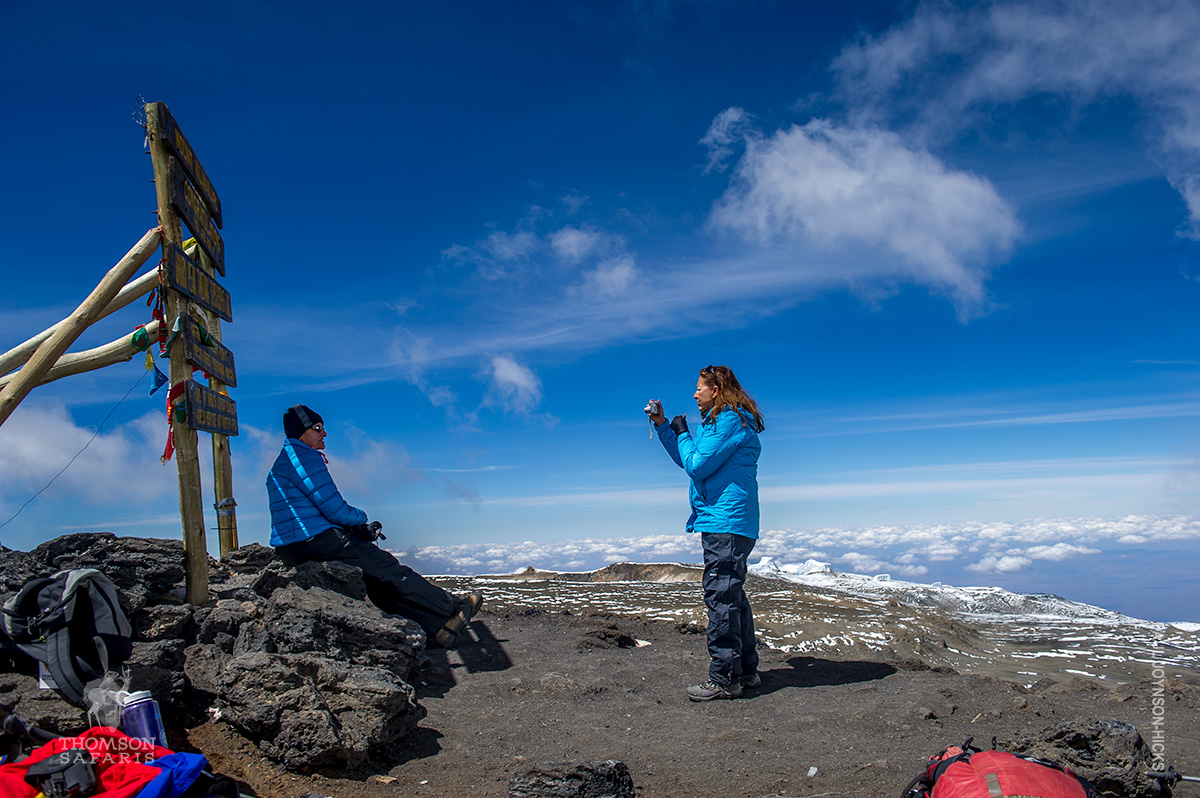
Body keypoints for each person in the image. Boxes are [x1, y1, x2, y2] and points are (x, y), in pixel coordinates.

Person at [265, 404, 482, 648]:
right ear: (301, 432)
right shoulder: (304, 458)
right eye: (317, 428)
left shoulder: (282, 463)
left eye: (323, 428)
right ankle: (453, 609)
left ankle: (439, 628)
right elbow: (334, 508)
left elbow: (312, 510)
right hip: (316, 541)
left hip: (291, 546)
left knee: (375, 583)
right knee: (387, 568)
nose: (324, 433)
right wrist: (361, 519)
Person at [648, 365, 765, 701]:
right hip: (730, 521)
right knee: (732, 597)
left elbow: (696, 465)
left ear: (716, 390)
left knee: (721, 598)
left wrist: (682, 432)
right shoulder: (727, 421)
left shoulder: (727, 420)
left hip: (724, 522)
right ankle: (746, 672)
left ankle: (725, 678)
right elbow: (693, 463)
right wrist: (665, 428)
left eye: (700, 388)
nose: (694, 393)